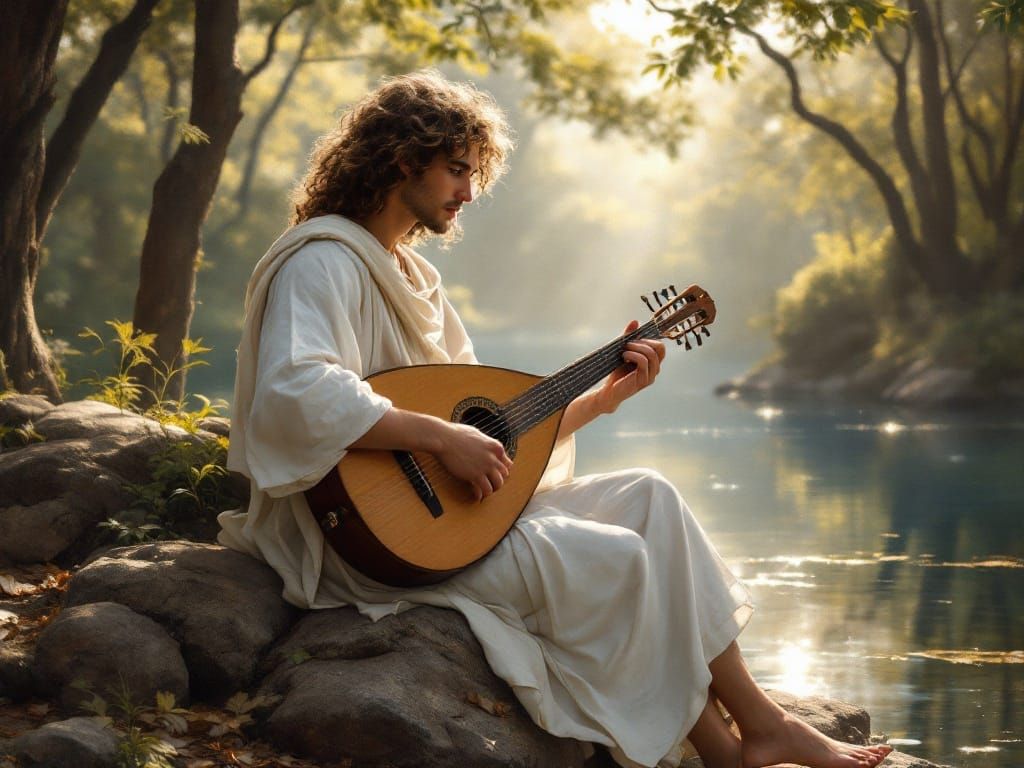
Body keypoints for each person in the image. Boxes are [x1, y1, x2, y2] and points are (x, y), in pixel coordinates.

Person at [217, 70, 893, 768]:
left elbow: (496, 436)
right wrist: (441, 437)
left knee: (651, 499)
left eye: (474, 174)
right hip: (367, 541)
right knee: (617, 559)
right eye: (456, 171)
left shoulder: (417, 278)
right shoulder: (323, 260)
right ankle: (721, 753)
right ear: (400, 160)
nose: (469, 193)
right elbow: (297, 389)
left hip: (447, 523)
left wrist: (601, 400)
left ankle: (764, 723)